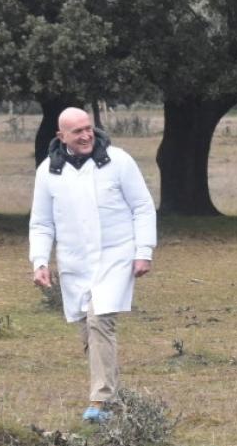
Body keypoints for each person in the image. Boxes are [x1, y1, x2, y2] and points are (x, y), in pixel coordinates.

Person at [28, 107, 157, 422]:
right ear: (62, 137)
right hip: (75, 262)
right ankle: (111, 392)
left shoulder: (119, 161)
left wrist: (144, 250)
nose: (86, 135)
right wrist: (40, 261)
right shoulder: (48, 171)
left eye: (88, 128)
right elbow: (42, 223)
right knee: (89, 330)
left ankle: (101, 403)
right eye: (77, 131)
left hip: (116, 255)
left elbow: (142, 206)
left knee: (100, 320)